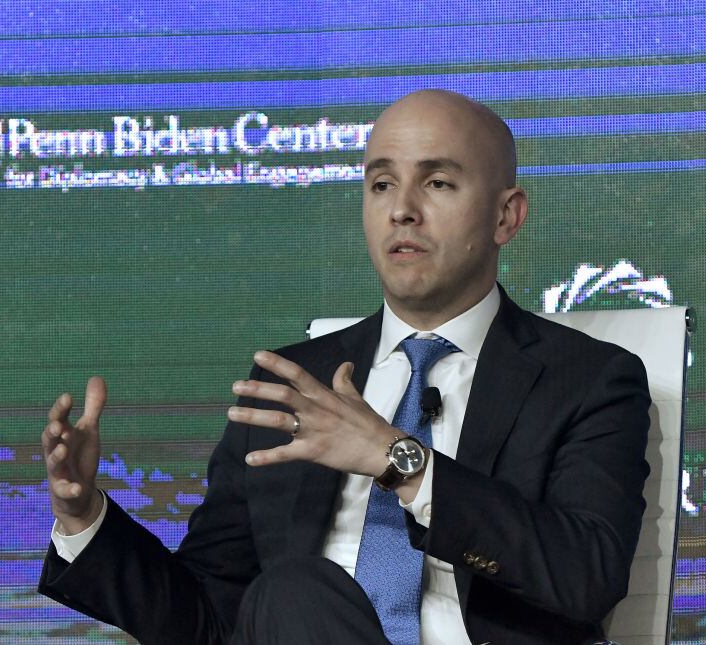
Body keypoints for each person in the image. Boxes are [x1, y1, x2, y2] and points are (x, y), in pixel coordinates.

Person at [38, 89, 651, 645]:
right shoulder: (290, 387)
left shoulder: (588, 380)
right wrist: (84, 515)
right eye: (382, 184)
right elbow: (210, 618)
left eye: (437, 183)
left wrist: (399, 460)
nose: (402, 211)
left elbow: (587, 577)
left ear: (505, 216)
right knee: (291, 595)